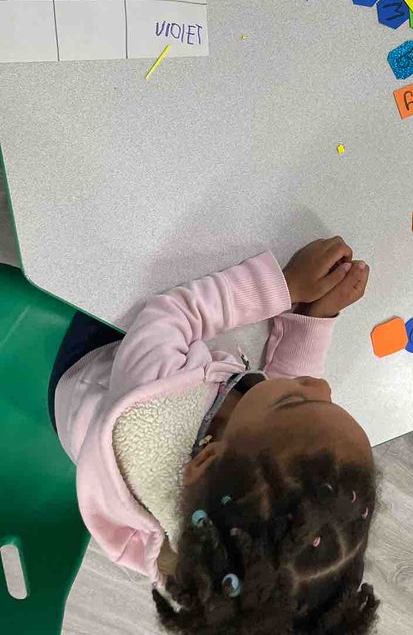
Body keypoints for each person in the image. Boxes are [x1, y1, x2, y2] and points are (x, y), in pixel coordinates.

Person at [49, 236, 379, 633]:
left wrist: (286, 285)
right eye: (329, 402)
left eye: (296, 401)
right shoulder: (232, 497)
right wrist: (314, 318)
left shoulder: (152, 401)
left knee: (109, 259)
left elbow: (173, 313)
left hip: (89, 367)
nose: (320, 387)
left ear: (209, 456)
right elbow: (285, 413)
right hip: (143, 390)